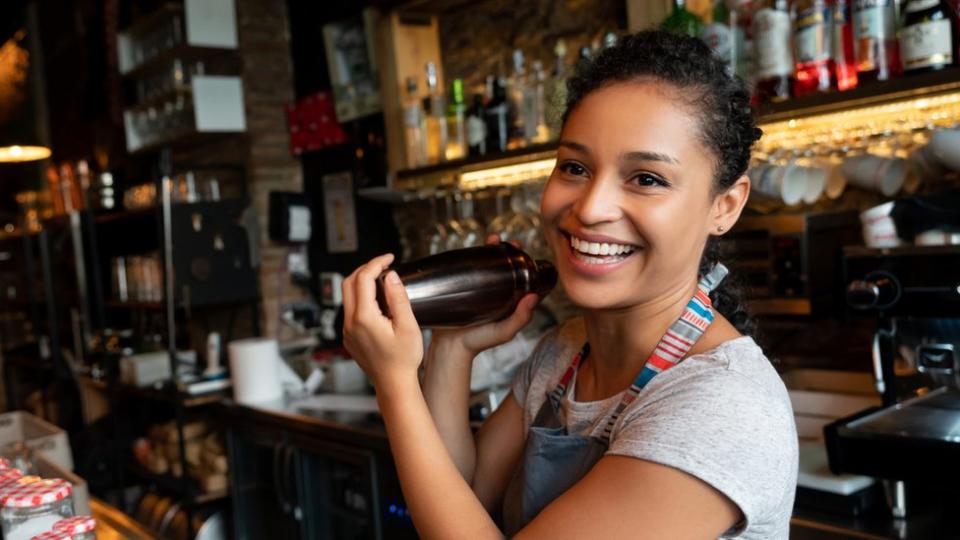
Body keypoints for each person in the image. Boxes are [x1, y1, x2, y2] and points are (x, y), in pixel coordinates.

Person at [342, 30, 798, 539]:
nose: (590, 208)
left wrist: (395, 383)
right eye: (575, 167)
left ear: (725, 205)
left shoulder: (722, 408)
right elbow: (460, 500)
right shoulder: (563, 352)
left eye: (646, 178)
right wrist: (454, 345)